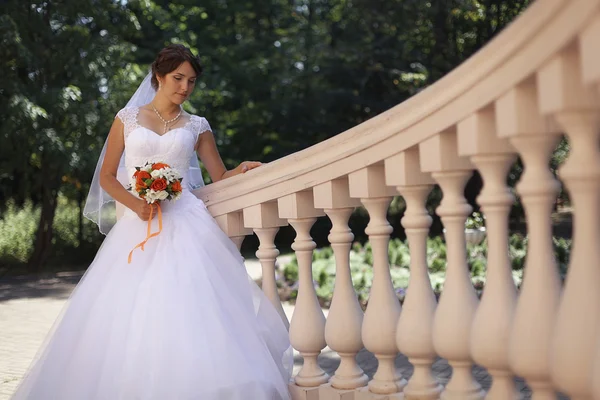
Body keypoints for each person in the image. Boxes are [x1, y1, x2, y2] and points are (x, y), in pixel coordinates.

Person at [11, 44, 293, 400]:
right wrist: (136, 204)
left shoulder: (197, 125)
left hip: (187, 221)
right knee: (131, 305)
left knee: (193, 302)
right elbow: (109, 177)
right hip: (138, 224)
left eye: (191, 81)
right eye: (178, 78)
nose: (185, 87)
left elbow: (218, 175)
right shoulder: (127, 118)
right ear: (159, 77)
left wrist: (242, 169)